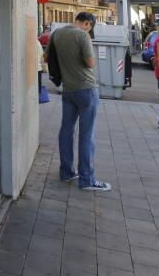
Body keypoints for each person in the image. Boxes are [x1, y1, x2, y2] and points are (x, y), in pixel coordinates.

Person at [51, 11, 112, 192]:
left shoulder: (57, 34)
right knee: (87, 135)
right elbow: (90, 63)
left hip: (68, 89)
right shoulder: (82, 35)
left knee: (66, 131)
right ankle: (87, 179)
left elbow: (48, 58)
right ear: (87, 23)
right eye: (90, 27)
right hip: (86, 89)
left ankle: (67, 171)